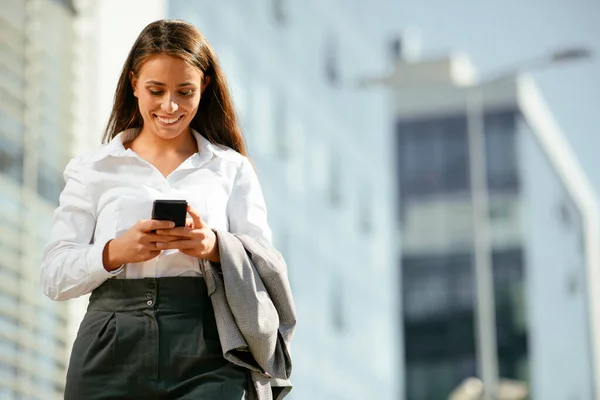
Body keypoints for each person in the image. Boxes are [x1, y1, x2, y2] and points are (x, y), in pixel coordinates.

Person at [40, 19, 293, 400]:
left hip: (209, 345)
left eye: (185, 92)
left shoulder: (231, 168)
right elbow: (54, 278)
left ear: (204, 87)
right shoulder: (94, 168)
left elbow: (265, 267)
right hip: (109, 345)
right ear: (133, 84)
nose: (169, 106)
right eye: (155, 90)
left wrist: (212, 246)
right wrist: (114, 253)